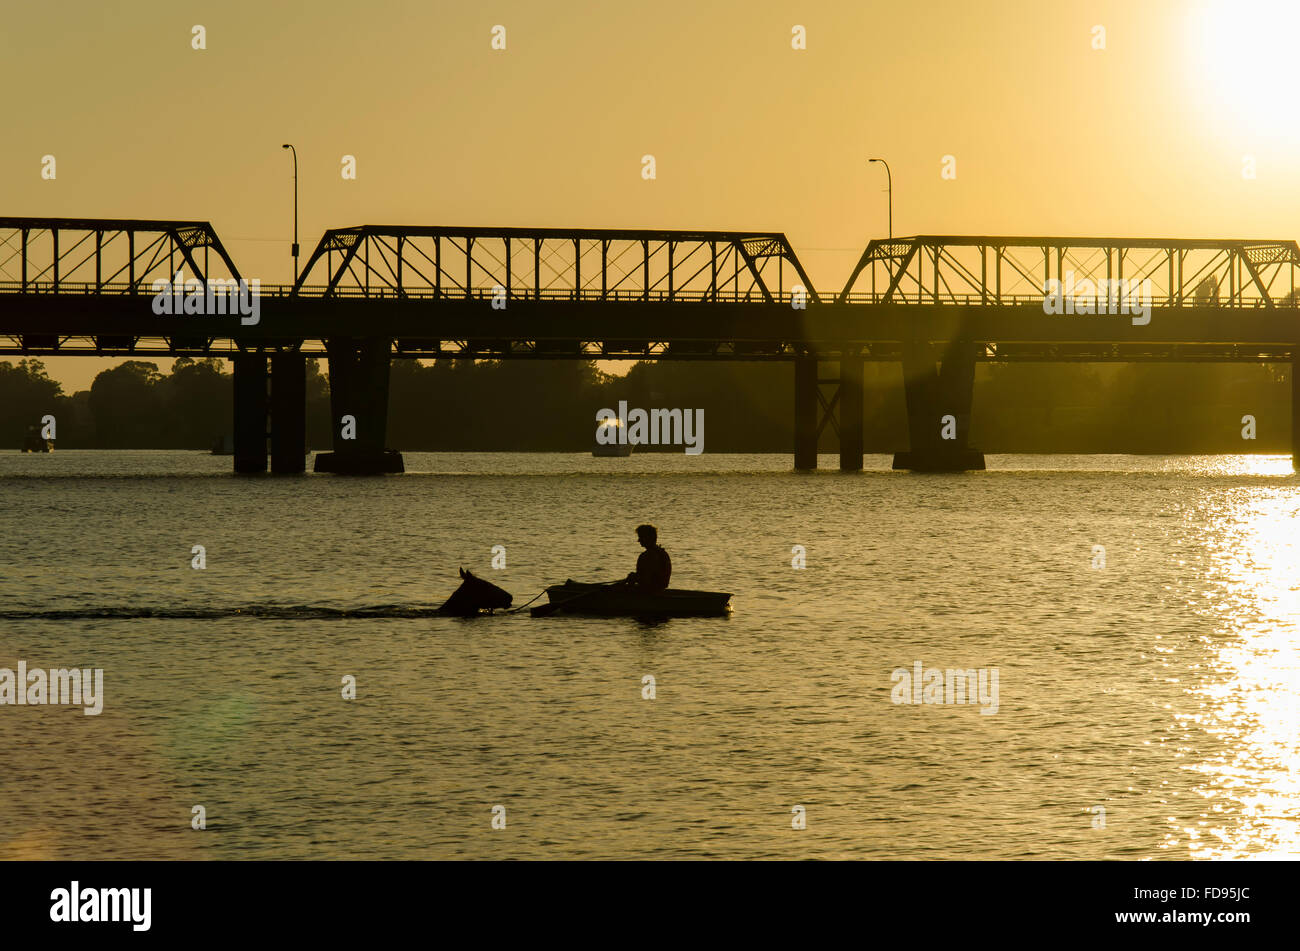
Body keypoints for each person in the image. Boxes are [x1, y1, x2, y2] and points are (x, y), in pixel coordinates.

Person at [625, 524, 671, 593]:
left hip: (650, 592)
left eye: (641, 537)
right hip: (659, 590)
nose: (638, 540)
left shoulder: (648, 556)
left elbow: (647, 580)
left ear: (648, 538)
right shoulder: (662, 552)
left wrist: (634, 577)